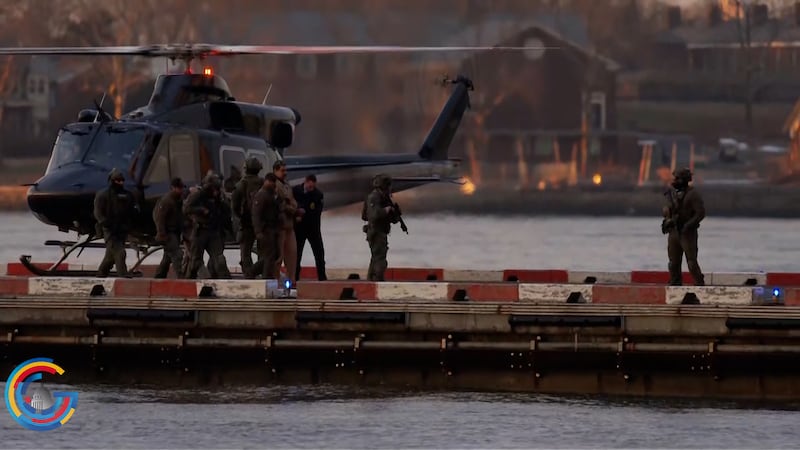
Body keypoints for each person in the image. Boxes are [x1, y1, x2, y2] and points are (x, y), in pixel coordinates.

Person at [183, 172, 232, 279]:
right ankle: (190, 280)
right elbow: (187, 208)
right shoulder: (199, 195)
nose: (216, 192)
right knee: (196, 261)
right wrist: (201, 210)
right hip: (200, 231)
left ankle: (225, 281)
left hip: (214, 231)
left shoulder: (219, 197)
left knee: (219, 259)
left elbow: (224, 213)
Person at [662, 167, 706, 286]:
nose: (674, 180)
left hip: (687, 233)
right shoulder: (672, 194)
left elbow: (700, 213)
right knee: (673, 263)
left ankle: (699, 283)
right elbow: (666, 210)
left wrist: (688, 225)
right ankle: (675, 282)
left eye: (677, 178)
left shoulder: (693, 195)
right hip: (674, 232)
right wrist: (667, 220)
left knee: (691, 262)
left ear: (684, 180)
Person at [93, 168, 138, 278]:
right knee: (120, 252)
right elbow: (98, 212)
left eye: (122, 181)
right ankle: (123, 274)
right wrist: (105, 223)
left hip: (122, 229)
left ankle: (101, 273)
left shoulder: (127, 195)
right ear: (112, 181)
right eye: (118, 181)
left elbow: (133, 210)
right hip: (109, 230)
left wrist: (131, 223)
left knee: (110, 255)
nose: (121, 183)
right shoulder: (103, 195)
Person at [363, 173, 400, 281]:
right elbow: (372, 215)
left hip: (381, 231)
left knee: (376, 257)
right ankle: (377, 279)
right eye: (388, 186)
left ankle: (371, 280)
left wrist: (394, 214)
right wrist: (386, 210)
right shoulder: (374, 197)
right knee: (380, 259)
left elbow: (392, 219)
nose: (390, 189)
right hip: (376, 232)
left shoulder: (384, 198)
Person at [231, 157, 264, 278]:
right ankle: (261, 272)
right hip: (262, 223)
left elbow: (234, 206)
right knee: (264, 252)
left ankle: (249, 274)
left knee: (245, 253)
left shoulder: (241, 184)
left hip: (246, 223)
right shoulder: (263, 183)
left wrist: (240, 216)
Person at [293, 174, 327, 281]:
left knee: (319, 254)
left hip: (313, 229)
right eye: (309, 187)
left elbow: (316, 212)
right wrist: (296, 214)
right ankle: (295, 277)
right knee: (297, 255)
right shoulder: (295, 191)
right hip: (299, 229)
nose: (311, 189)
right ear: (306, 182)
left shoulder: (318, 195)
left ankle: (322, 277)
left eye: (313, 187)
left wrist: (304, 212)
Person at [273, 160, 300, 284]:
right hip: (279, 226)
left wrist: (292, 207)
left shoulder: (287, 185)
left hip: (290, 225)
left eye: (285, 170)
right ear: (276, 170)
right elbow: (281, 204)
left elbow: (293, 202)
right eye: (282, 170)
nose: (285, 173)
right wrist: (290, 207)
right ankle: (276, 280)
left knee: (292, 254)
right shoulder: (274, 185)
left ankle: (291, 279)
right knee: (278, 256)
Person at [252, 173, 283, 280]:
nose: (273, 184)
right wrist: (258, 231)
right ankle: (266, 277)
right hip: (265, 230)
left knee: (274, 255)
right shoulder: (261, 195)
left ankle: (252, 271)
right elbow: (256, 214)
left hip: (273, 229)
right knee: (269, 256)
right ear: (267, 181)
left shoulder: (271, 195)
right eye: (272, 182)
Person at [153, 177, 186, 278]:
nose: (181, 190)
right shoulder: (166, 201)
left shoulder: (178, 200)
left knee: (167, 256)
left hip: (175, 232)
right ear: (172, 188)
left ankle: (159, 276)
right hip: (168, 233)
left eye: (181, 188)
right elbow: (160, 219)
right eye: (178, 188)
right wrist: (162, 234)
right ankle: (181, 276)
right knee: (177, 254)